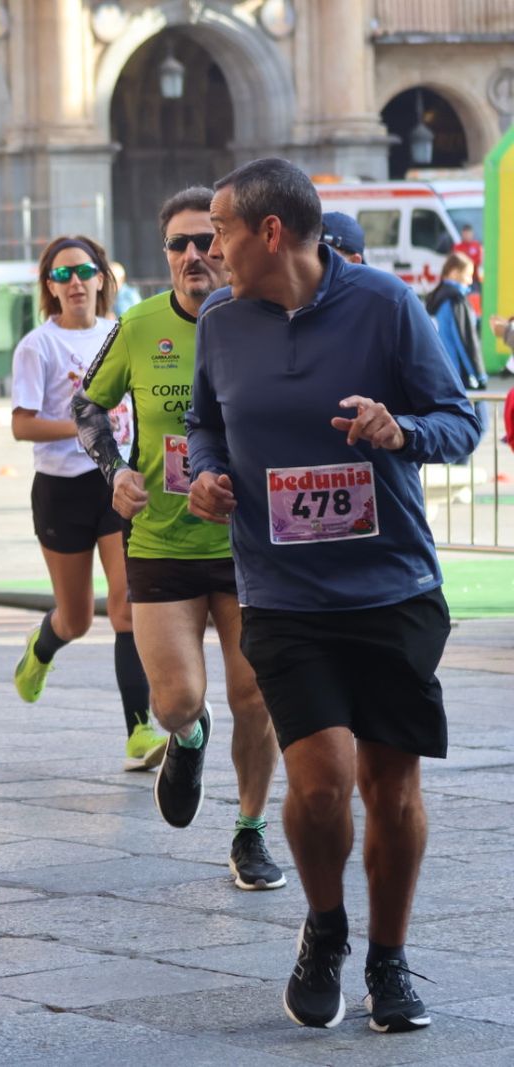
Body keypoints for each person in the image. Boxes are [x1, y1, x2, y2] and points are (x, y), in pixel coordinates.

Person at [188, 157, 480, 1033]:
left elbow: (460, 421)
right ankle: (325, 929)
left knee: (390, 789)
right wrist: (205, 473)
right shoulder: (220, 320)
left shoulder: (385, 306)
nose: (209, 249)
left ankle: (389, 962)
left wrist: (401, 429)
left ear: (270, 232)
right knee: (320, 783)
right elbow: (206, 420)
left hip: (391, 588)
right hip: (282, 593)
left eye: (221, 232)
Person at [72, 186, 285, 889]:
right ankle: (188, 740)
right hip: (163, 542)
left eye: (206, 241)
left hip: (251, 547)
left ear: (228, 245)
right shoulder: (136, 325)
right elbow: (86, 408)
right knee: (177, 701)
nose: (195, 255)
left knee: (255, 696)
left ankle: (250, 830)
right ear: (164, 256)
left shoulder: (268, 319)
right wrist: (113, 472)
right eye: (180, 245)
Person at [9, 235, 156, 768]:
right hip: (61, 491)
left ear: (102, 278)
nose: (75, 283)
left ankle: (139, 733)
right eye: (62, 275)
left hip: (115, 482)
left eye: (83, 272)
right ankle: (41, 648)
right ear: (49, 286)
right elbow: (21, 424)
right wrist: (81, 427)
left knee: (125, 608)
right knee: (76, 619)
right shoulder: (38, 346)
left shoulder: (123, 333)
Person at [424, 252, 485, 394]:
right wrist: (479, 374)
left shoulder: (435, 297)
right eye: (468, 275)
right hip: (458, 377)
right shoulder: (456, 300)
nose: (470, 281)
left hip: (438, 374)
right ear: (454, 273)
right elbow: (464, 341)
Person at [451, 222, 482, 287]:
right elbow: (457, 262)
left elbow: (478, 261)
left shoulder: (476, 246)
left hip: (475, 278)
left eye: (468, 233)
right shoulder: (458, 247)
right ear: (462, 234)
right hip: (462, 278)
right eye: (465, 234)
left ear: (472, 234)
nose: (467, 235)